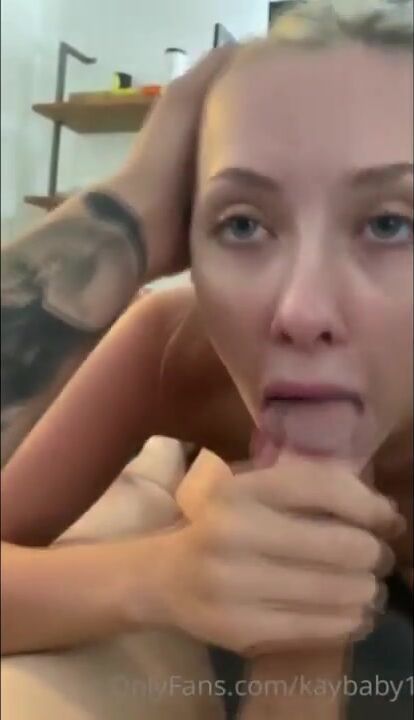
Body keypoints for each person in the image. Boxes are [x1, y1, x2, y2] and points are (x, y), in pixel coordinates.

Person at [1, 2, 412, 719]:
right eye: (242, 224)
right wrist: (158, 575)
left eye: (389, 223)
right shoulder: (175, 347)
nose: (300, 310)